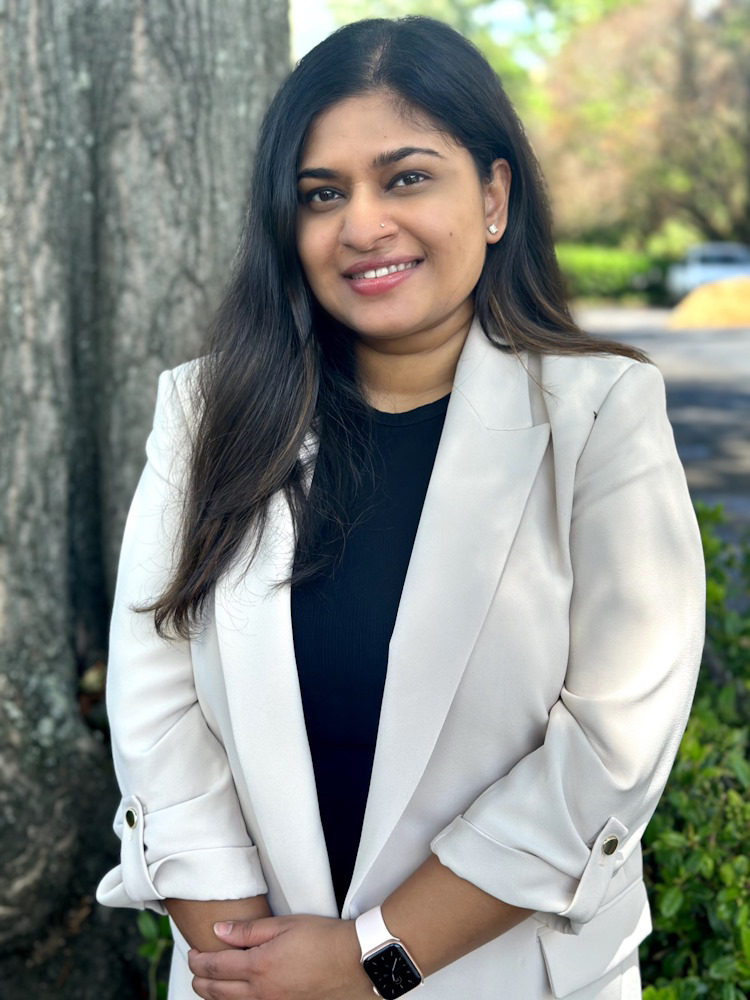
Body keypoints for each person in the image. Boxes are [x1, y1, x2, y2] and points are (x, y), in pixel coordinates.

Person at [97, 16, 705, 1000]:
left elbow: (611, 746)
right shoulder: (206, 413)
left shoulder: (600, 413)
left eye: (407, 177)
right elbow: (155, 704)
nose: (363, 225)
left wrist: (371, 959)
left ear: (494, 196)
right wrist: (251, 964)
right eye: (322, 193)